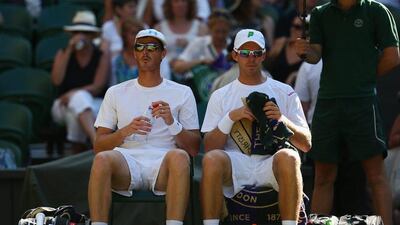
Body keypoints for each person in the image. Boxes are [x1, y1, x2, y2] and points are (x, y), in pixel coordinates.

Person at [294, 0, 400, 224]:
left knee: (375, 176)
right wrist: (305, 51)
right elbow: (315, 56)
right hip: (327, 104)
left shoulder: (376, 11)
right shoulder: (321, 14)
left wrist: (363, 80)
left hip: (362, 104)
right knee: (323, 177)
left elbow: (393, 56)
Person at [88, 29, 201, 225]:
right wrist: (125, 131)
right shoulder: (115, 92)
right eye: (140, 46)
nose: (145, 52)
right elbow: (98, 146)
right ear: (134, 52)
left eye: (152, 47)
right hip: (127, 162)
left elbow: (193, 148)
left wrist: (172, 122)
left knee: (180, 156)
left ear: (163, 53)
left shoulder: (183, 92)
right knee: (102, 159)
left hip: (165, 163)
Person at [200, 29, 311, 225]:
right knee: (211, 160)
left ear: (264, 55)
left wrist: (282, 120)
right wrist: (231, 117)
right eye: (244, 53)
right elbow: (209, 147)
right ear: (234, 55)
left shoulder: (284, 91)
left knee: (290, 156)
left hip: (271, 161)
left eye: (256, 53)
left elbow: (306, 144)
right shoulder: (221, 95)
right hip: (236, 163)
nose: (250, 58)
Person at [51, 10, 110, 153]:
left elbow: (98, 86)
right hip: (62, 104)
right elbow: (57, 81)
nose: (81, 36)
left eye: (85, 32)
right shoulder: (63, 53)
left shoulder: (100, 55)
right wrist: (70, 51)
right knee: (77, 103)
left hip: (93, 103)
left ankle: (76, 153)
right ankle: (95, 141)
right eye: (77, 32)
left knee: (76, 109)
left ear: (92, 36)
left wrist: (73, 93)